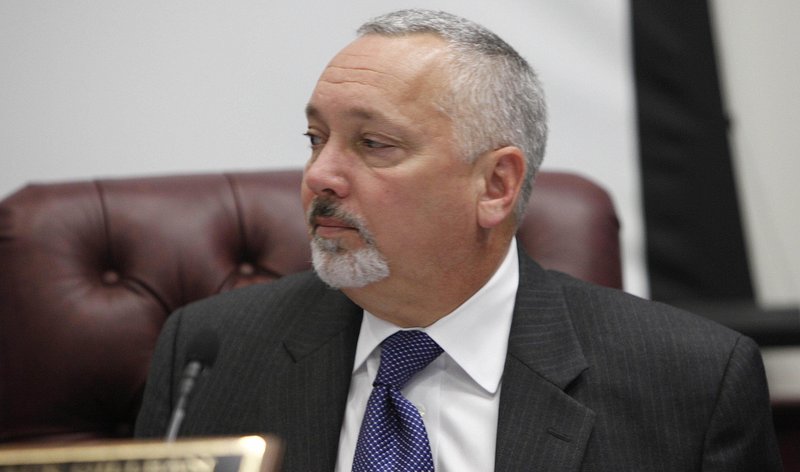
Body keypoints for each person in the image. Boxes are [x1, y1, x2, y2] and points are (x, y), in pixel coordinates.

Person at [135, 9, 782, 471]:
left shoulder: (691, 381)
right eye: (315, 139)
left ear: (496, 186)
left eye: (372, 144)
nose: (319, 175)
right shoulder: (208, 355)